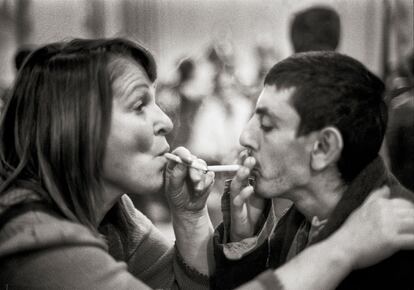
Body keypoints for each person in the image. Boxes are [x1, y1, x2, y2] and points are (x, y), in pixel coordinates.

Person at [0, 38, 413, 290]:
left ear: (323, 149)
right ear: (76, 127)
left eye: (265, 123)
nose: (165, 120)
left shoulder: (115, 216)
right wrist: (341, 250)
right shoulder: (33, 234)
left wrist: (190, 215)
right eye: (140, 103)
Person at [213, 51, 414, 289]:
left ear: (323, 148)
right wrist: (243, 240)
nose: (244, 136)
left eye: (267, 125)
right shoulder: (301, 220)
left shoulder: (398, 240)